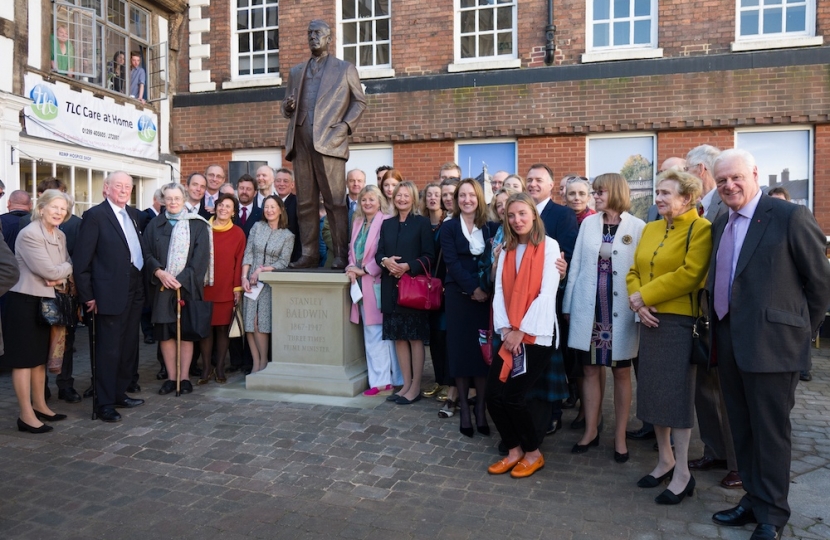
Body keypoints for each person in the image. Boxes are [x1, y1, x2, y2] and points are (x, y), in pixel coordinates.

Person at [708, 149, 830, 540]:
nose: (729, 185)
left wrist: (799, 332)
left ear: (755, 174)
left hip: (773, 347)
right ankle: (753, 499)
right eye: (722, 180)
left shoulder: (790, 217)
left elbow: (820, 284)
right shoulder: (721, 221)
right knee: (742, 429)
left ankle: (773, 515)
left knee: (770, 433)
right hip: (729, 340)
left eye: (736, 177)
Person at [626, 170, 711, 505]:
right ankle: (665, 460)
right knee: (652, 394)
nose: (658, 198)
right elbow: (634, 271)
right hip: (648, 320)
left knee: (676, 398)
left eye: (666, 193)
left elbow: (691, 274)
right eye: (657, 192)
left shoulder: (701, 228)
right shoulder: (650, 228)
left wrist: (644, 296)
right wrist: (639, 300)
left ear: (687, 198)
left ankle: (683, 473)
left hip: (679, 323)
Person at [563, 173, 645, 462]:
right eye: (595, 191)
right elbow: (575, 265)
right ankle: (591, 430)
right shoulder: (588, 223)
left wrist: (641, 307)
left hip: (621, 311)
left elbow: (642, 271)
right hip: (589, 309)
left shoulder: (638, 227)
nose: (594, 196)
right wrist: (568, 304)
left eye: (600, 192)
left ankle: (620, 437)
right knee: (589, 370)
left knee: (621, 372)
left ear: (616, 193)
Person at [486, 193, 562, 478]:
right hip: (510, 333)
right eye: (511, 215)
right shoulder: (507, 249)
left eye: (522, 213)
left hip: (537, 335)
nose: (517, 220)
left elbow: (546, 294)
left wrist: (520, 331)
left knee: (514, 397)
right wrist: (507, 329)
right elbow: (500, 292)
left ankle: (533, 453)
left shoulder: (550, 246)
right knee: (493, 395)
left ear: (533, 214)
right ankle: (514, 450)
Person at [281, 19, 367, 270]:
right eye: (309, 33)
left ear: (329, 38)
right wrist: (287, 107)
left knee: (335, 202)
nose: (313, 37)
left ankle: (340, 254)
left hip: (330, 142)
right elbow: (286, 106)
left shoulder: (344, 69)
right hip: (300, 141)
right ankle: (309, 253)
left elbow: (360, 101)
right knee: (305, 203)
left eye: (318, 33)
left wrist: (345, 127)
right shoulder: (296, 72)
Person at [682, 145, 742, 490]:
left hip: (724, 313)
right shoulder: (698, 206)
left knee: (726, 390)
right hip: (700, 312)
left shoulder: (725, 204)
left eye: (686, 170)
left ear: (700, 169)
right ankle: (714, 450)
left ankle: (737, 463)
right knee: (704, 387)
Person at [73, 172, 147, 422]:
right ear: (106, 188)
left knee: (128, 347)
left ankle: (118, 393)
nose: (124, 190)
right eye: (118, 186)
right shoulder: (95, 216)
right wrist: (88, 296)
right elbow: (82, 261)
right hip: (107, 294)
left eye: (128, 186)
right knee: (108, 350)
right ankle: (103, 403)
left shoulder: (133, 215)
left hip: (135, 288)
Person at [3, 191, 72, 433]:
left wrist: (62, 272)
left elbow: (62, 267)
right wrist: (64, 270)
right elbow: (50, 272)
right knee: (24, 361)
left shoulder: (60, 235)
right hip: (24, 302)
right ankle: (25, 415)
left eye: (63, 208)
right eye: (54, 207)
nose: (59, 212)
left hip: (46, 302)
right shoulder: (29, 234)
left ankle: (40, 405)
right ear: (41, 208)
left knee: (39, 359)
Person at [144, 182, 212, 396]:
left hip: (188, 287)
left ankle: (184, 378)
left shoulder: (197, 225)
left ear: (184, 199)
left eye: (177, 198)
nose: (173, 202)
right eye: (169, 198)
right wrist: (159, 272)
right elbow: (146, 253)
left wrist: (180, 280)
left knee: (185, 333)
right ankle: (171, 378)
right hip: (161, 287)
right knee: (166, 334)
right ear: (162, 200)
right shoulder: (154, 224)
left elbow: (200, 259)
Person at [441, 178, 497, 437]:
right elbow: (451, 263)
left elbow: (495, 259)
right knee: (461, 352)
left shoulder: (491, 227)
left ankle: (480, 409)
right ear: (456, 200)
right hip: (458, 297)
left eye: (471, 195)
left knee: (481, 352)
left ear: (479, 198)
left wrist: (483, 288)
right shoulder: (449, 227)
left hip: (485, 297)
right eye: (462, 195)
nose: (467, 200)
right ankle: (464, 408)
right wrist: (473, 288)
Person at [525, 163, 577, 437]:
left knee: (548, 356)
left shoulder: (563, 214)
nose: (533, 184)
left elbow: (565, 254)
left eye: (539, 180)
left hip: (549, 296)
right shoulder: (521, 212)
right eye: (530, 179)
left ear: (551, 185)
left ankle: (553, 412)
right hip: (521, 298)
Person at [376, 181, 434, 405]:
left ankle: (416, 386)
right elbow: (379, 253)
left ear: (413, 198)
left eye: (406, 195)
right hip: (391, 287)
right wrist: (385, 261)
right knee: (399, 337)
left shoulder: (422, 223)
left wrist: (408, 266)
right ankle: (406, 385)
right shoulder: (387, 224)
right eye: (398, 195)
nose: (401, 199)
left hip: (413, 290)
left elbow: (429, 256)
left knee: (414, 337)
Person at [345, 185, 396, 395]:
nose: (367, 203)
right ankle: (389, 378)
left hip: (377, 282)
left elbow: (386, 253)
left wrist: (364, 270)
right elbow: (352, 250)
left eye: (371, 199)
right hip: (359, 284)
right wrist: (351, 267)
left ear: (379, 201)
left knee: (376, 332)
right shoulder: (357, 222)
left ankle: (382, 381)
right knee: (372, 332)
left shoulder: (386, 221)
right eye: (364, 200)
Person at [241, 195, 294, 373]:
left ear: (280, 209)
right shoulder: (257, 227)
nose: (269, 210)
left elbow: (283, 262)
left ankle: (264, 362)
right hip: (251, 281)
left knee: (260, 322)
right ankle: (255, 362)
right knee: (249, 322)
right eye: (266, 207)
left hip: (269, 283)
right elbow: (248, 253)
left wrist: (262, 270)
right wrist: (244, 277)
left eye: (273, 207)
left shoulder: (287, 236)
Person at [198, 194, 245, 385]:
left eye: (228, 206)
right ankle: (206, 368)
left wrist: (237, 288)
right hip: (205, 288)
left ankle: (219, 368)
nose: (223, 209)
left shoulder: (238, 233)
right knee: (206, 329)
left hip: (226, 288)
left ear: (233, 212)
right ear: (215, 207)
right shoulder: (203, 229)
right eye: (221, 205)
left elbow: (239, 262)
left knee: (223, 329)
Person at [419, 182, 450, 404]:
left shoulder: (446, 223)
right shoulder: (421, 222)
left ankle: (449, 382)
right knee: (433, 336)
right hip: (423, 288)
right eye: (429, 194)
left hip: (443, 287)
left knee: (443, 334)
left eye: (437, 194)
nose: (432, 198)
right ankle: (439, 380)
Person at [273, 168, 302, 262]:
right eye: (278, 181)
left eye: (285, 181)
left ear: (292, 184)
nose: (281, 184)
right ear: (274, 183)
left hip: (292, 256)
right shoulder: (270, 202)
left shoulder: (298, 203)